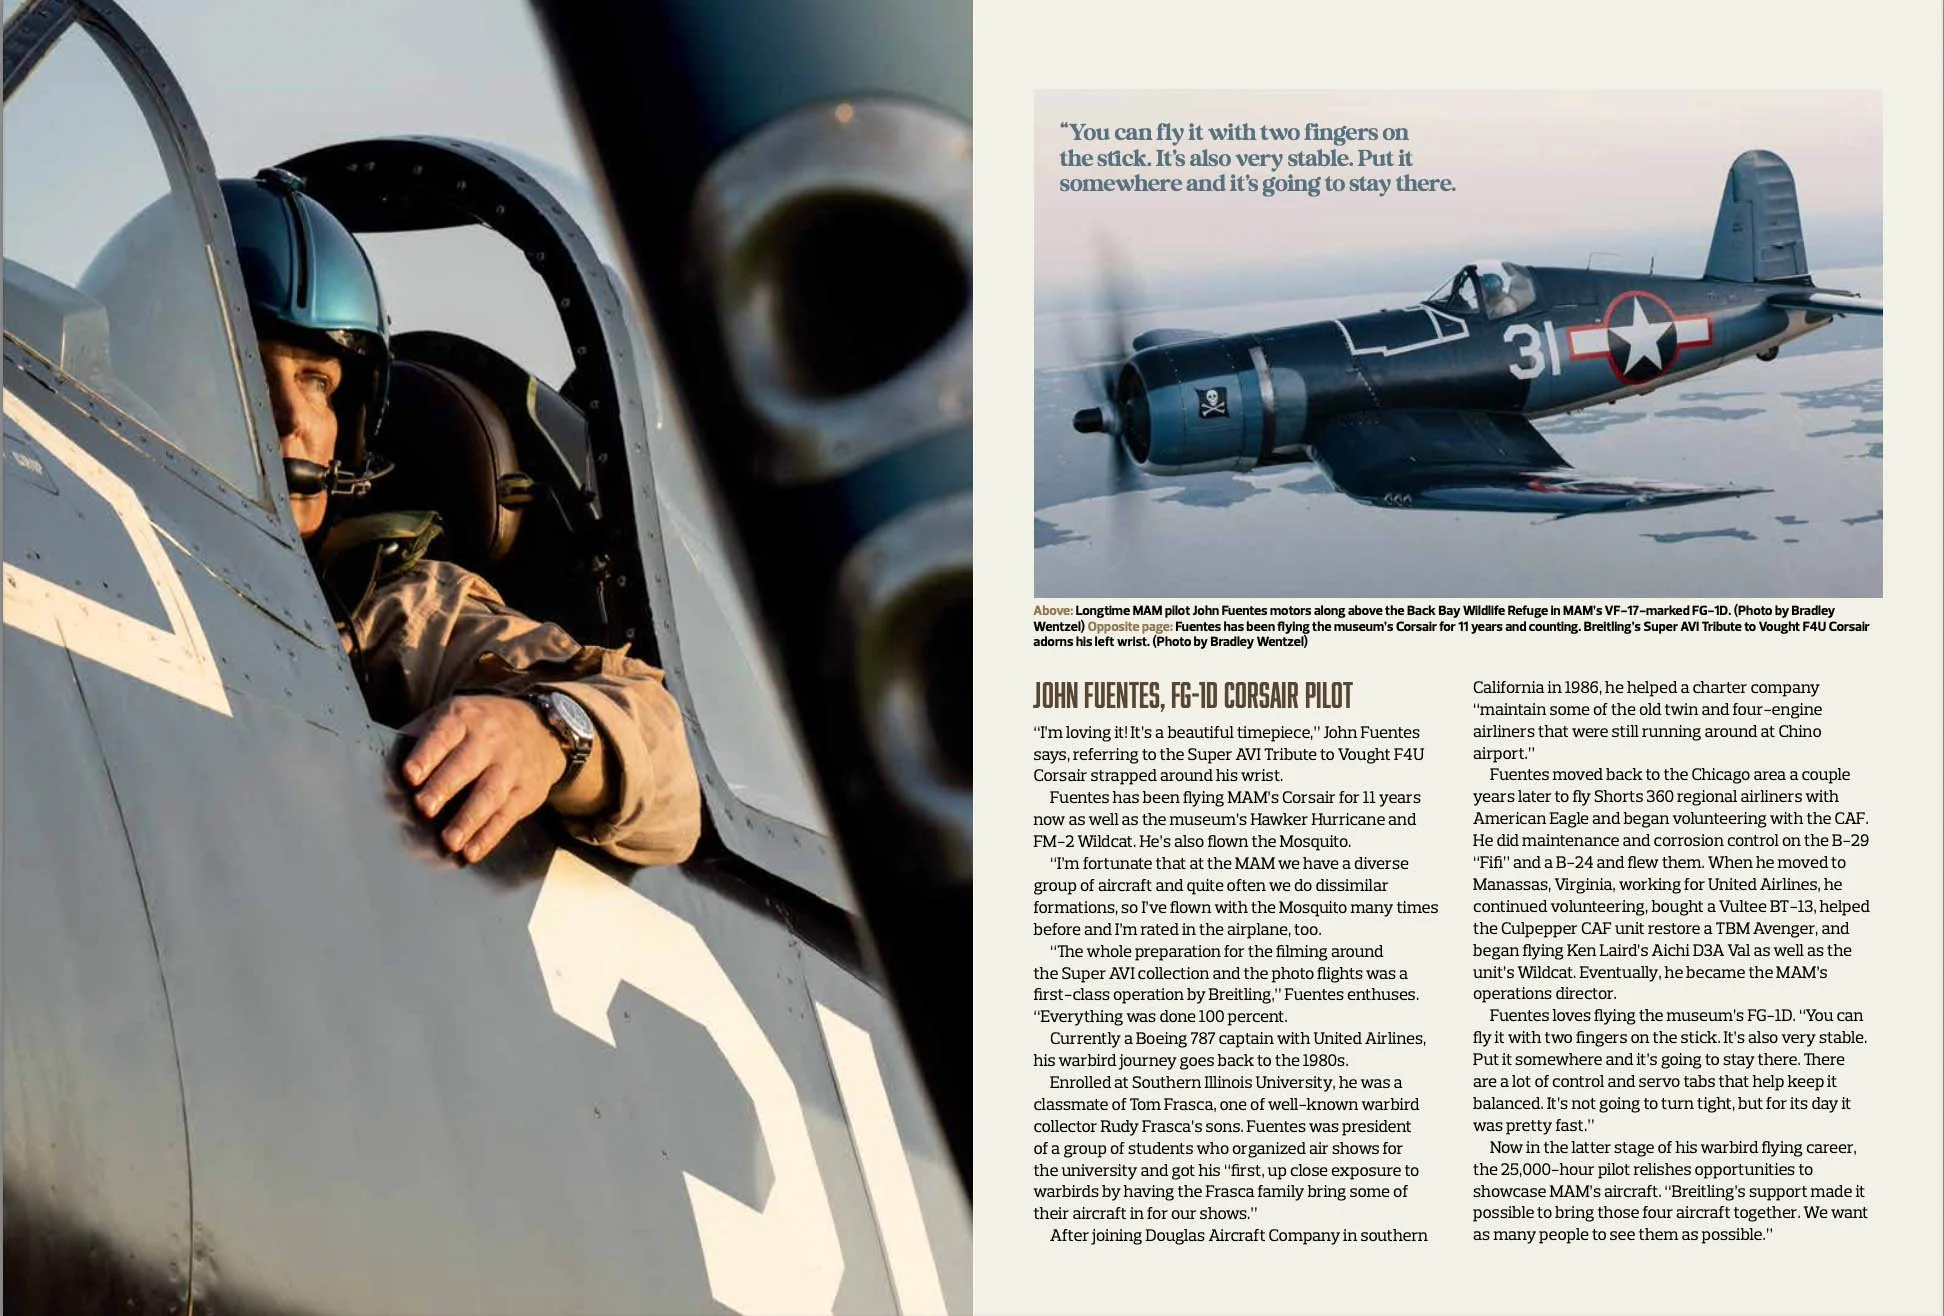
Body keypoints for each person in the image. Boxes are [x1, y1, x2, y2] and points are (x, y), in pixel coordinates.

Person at [222, 169, 700, 867]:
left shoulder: (398, 608)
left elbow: (669, 751)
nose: (294, 418)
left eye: (318, 382)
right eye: (248, 368)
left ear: (351, 426)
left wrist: (546, 731)